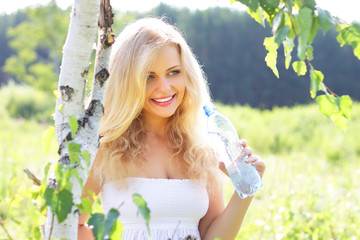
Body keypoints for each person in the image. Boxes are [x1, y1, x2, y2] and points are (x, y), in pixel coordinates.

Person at [78, 17, 265, 240]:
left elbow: (211, 236)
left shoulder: (202, 148)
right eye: (149, 76)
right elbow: (70, 225)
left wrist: (246, 190)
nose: (164, 88)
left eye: (174, 72)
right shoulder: (104, 146)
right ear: (127, 81)